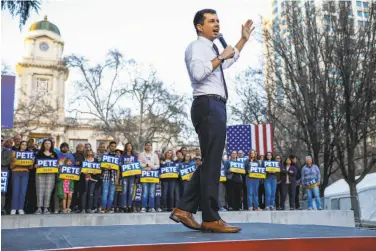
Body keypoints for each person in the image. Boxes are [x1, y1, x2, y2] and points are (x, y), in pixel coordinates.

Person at [169, 8, 254, 233]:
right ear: (200, 26)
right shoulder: (196, 47)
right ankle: (210, 217)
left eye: (218, 20)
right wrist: (221, 56)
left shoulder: (212, 48)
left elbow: (227, 60)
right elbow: (198, 73)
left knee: (211, 162)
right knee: (212, 163)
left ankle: (184, 209)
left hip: (215, 105)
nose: (217, 24)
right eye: (211, 21)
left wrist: (242, 40)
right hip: (207, 104)